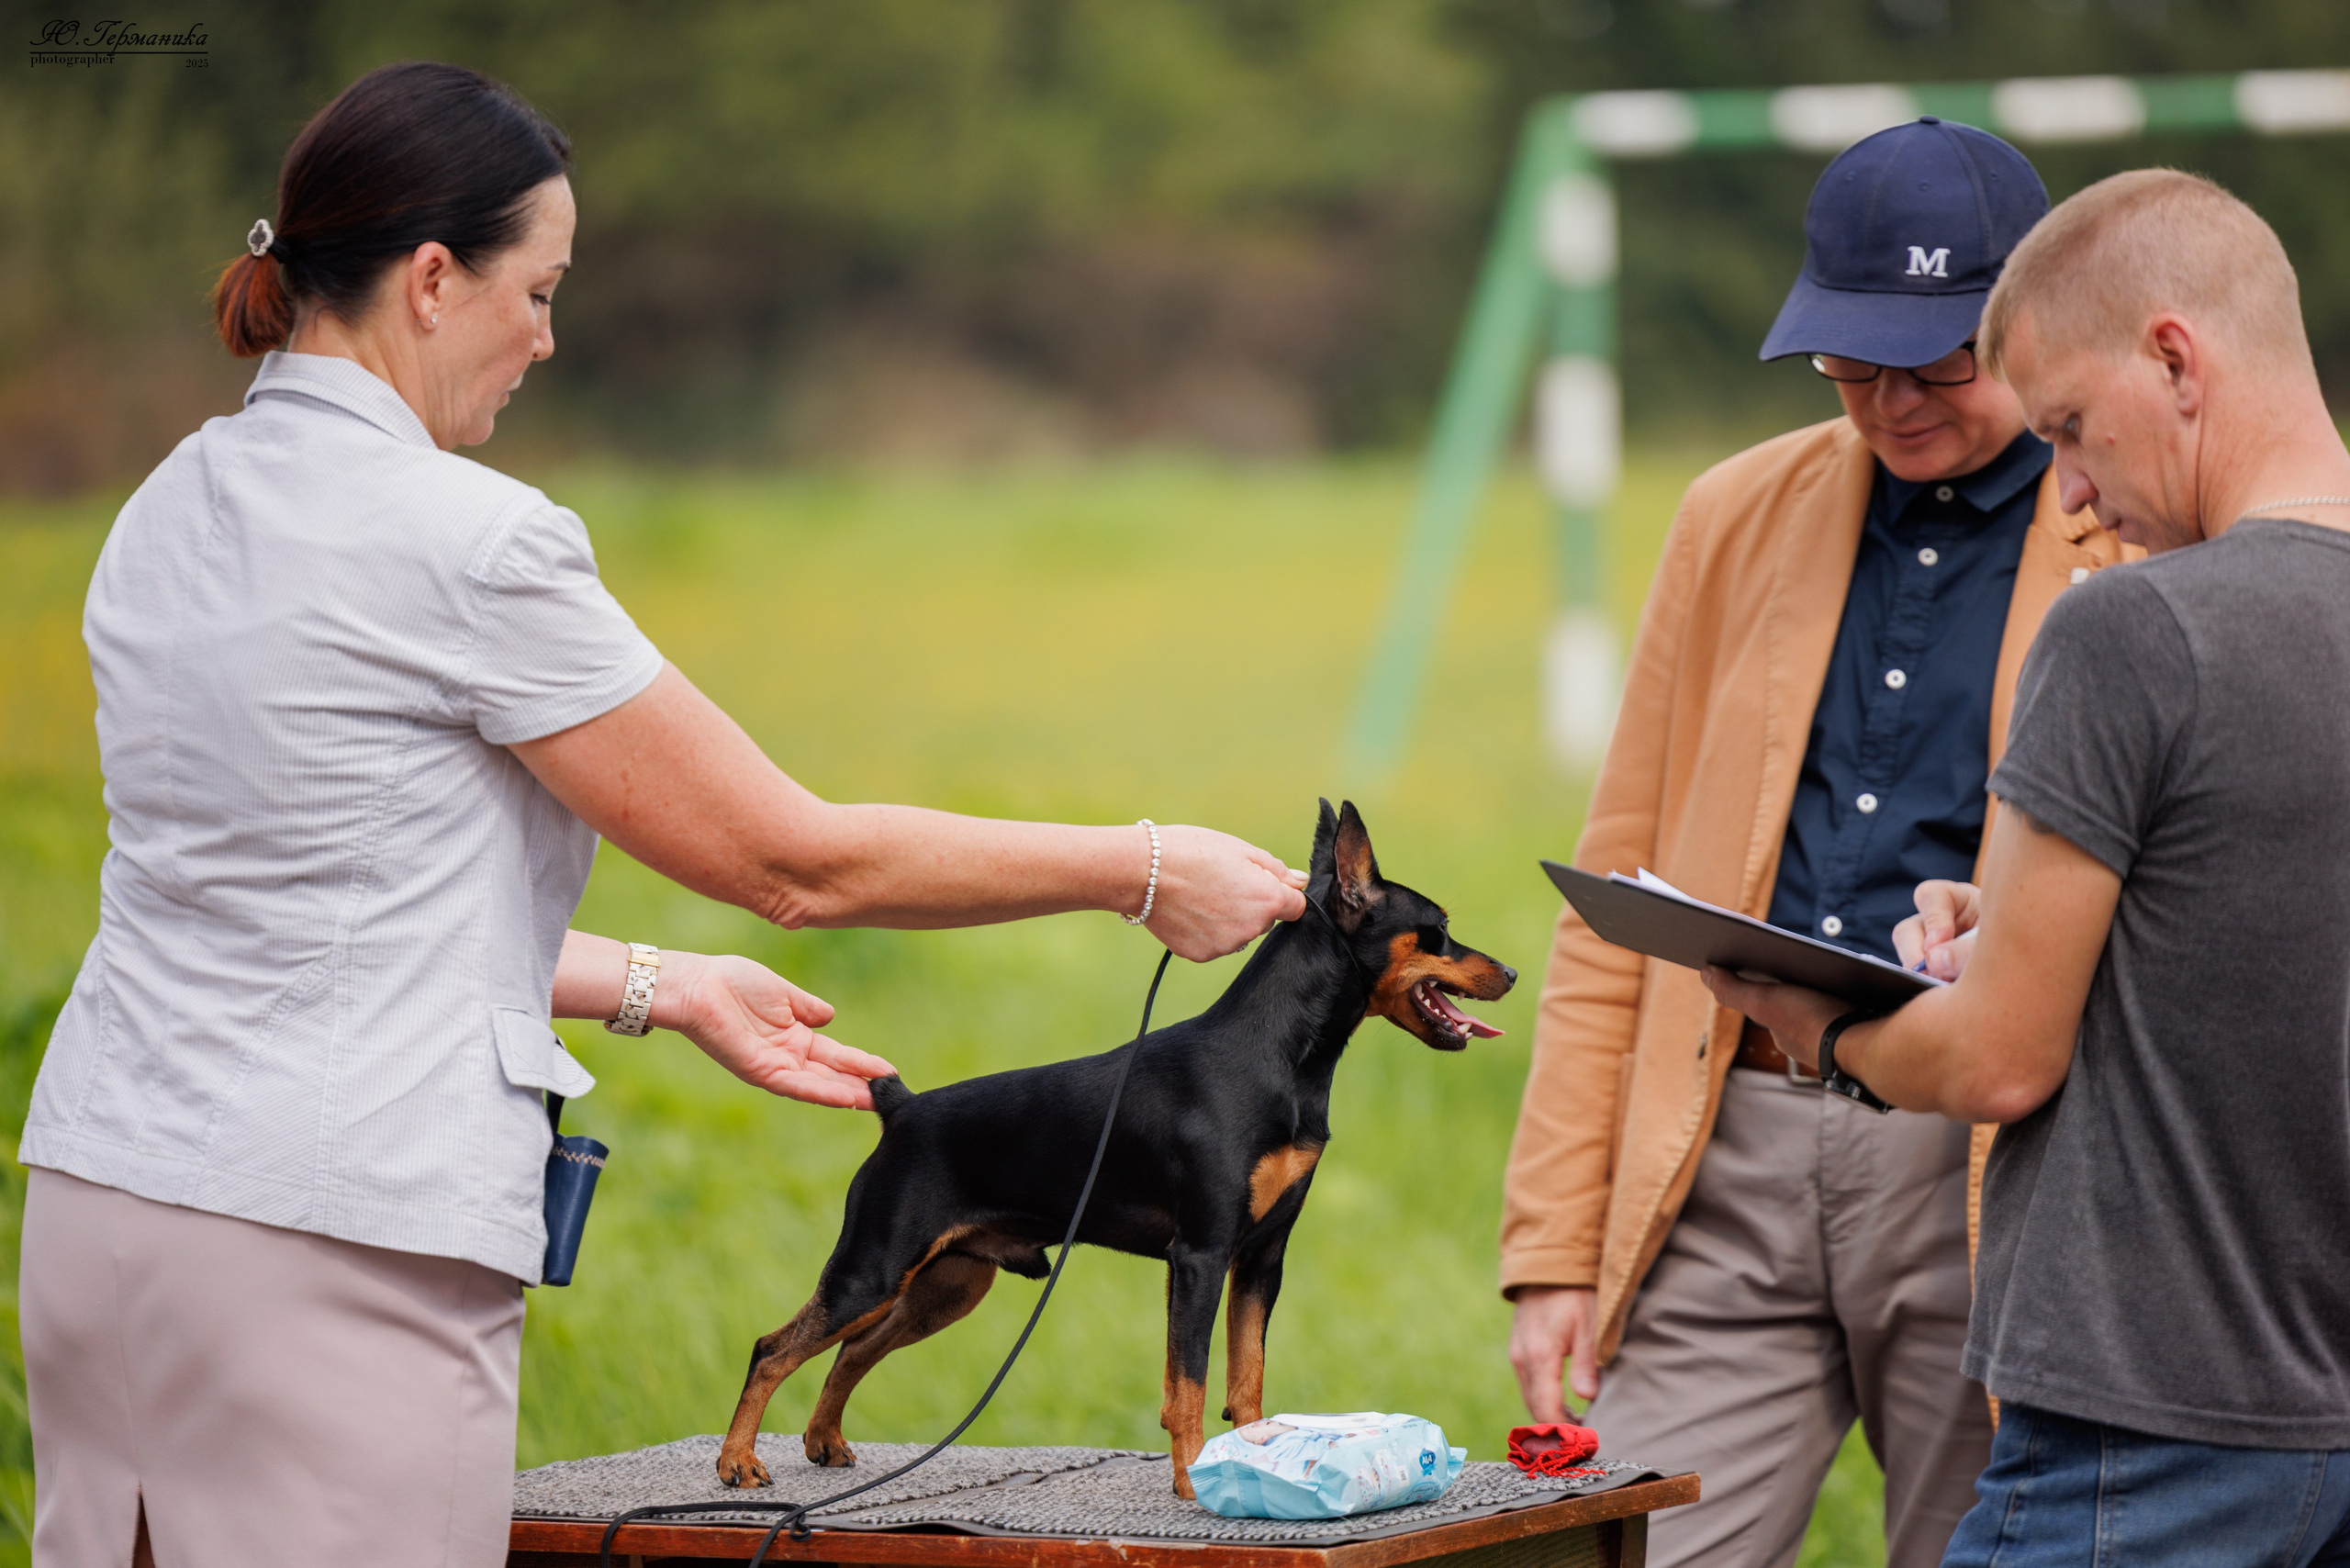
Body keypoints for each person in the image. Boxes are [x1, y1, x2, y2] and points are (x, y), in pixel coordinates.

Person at [17, 62, 1307, 1568]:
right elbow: (789, 857)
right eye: (542, 288)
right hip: (330, 1242)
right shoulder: (469, 541)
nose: (551, 337)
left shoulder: (172, 498)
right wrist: (1140, 868)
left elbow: (291, 889)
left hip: (104, 1213)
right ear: (433, 281)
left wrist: (663, 985)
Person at [1498, 118, 2132, 1568]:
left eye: (1939, 365)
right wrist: (1551, 1248)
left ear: (2035, 327)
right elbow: (1618, 889)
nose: (1893, 404)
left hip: (2001, 1163)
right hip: (1728, 1150)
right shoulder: (1729, 514)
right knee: (1638, 1548)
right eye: (1854, 364)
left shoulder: (2143, 526)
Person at [1710, 168, 2350, 1567]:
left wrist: (1826, 1032)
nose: (2067, 491)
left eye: (2068, 427)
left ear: (2176, 358)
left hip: (2148, 1424)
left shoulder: (2131, 630)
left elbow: (2001, 1061)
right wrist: (2031, 918)